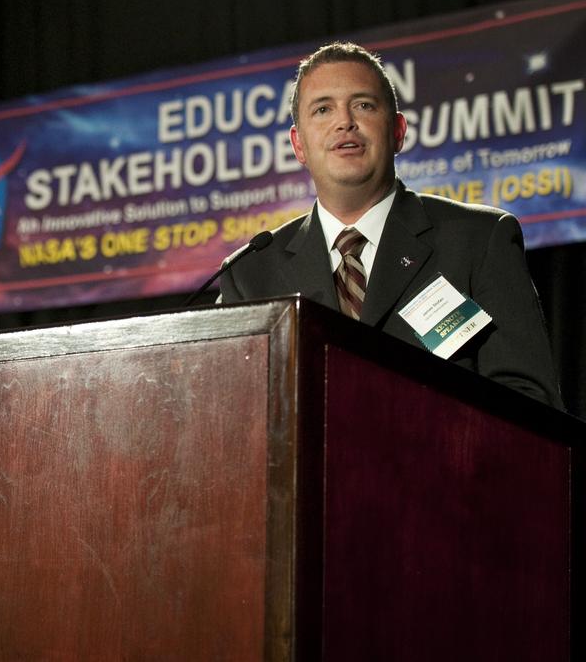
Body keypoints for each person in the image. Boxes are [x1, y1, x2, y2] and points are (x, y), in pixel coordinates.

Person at [218, 42, 563, 410]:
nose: (344, 122)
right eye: (323, 109)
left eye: (364, 105)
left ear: (398, 131)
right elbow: (231, 412)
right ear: (298, 144)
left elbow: (531, 405)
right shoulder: (251, 274)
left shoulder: (479, 240)